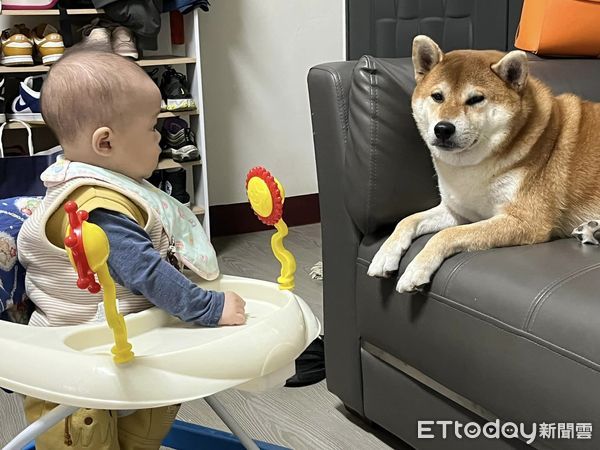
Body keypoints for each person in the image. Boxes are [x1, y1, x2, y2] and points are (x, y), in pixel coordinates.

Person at [17, 46, 246, 449]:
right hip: (76, 365)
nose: (162, 135)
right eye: (152, 127)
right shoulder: (96, 206)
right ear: (105, 142)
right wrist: (209, 309)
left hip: (124, 346)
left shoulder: (115, 189)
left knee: (147, 424)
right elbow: (145, 272)